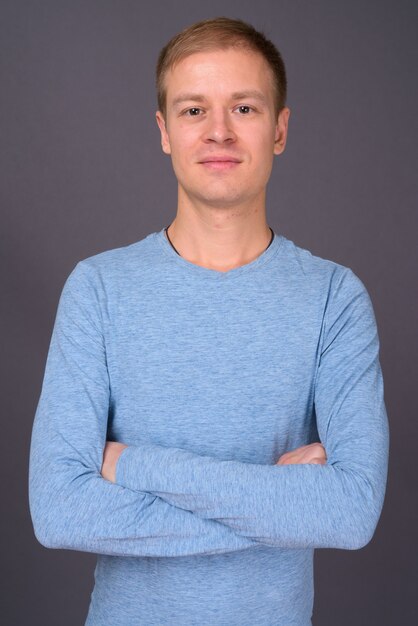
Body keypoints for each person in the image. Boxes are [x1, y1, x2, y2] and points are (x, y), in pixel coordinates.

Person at [28, 16, 389, 626]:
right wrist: (274, 503)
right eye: (194, 111)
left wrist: (131, 466)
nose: (219, 132)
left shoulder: (334, 298)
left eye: (244, 108)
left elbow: (350, 512)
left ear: (279, 128)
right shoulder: (98, 290)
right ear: (164, 131)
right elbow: (60, 510)